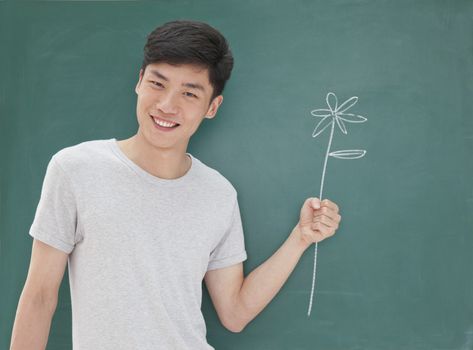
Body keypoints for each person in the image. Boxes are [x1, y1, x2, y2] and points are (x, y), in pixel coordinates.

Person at [10, 20, 341, 350]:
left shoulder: (219, 194)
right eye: (158, 83)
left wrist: (300, 238)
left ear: (212, 107)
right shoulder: (76, 169)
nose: (167, 105)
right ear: (140, 81)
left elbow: (235, 313)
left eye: (189, 92)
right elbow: (39, 296)